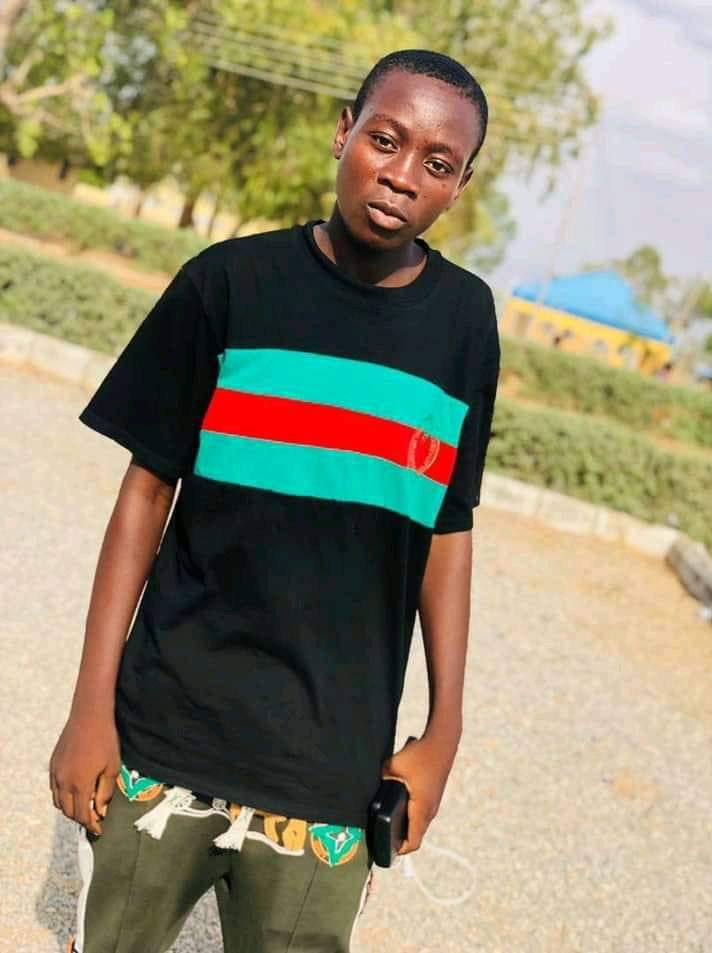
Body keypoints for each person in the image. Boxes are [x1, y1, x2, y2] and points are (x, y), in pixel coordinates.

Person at [49, 48, 501, 953]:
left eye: (437, 162)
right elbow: (145, 492)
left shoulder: (464, 324)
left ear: (457, 187)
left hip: (328, 771)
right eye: (384, 140)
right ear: (342, 133)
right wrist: (89, 705)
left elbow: (445, 529)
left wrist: (443, 731)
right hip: (165, 730)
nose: (401, 176)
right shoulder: (226, 284)